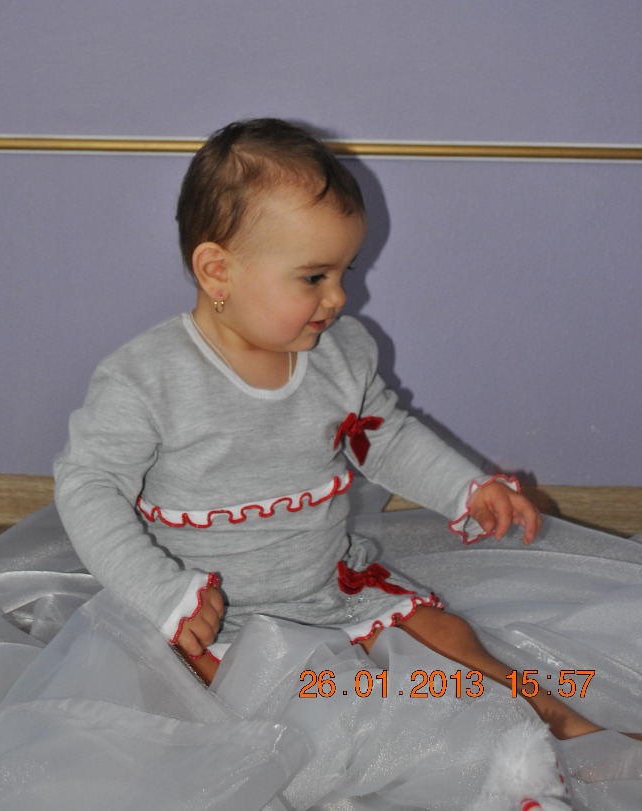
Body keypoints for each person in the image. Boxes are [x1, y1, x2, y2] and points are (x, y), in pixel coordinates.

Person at [54, 118, 604, 739]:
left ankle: (550, 715)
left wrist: (466, 489)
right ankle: (361, 745)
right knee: (241, 702)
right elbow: (88, 485)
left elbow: (385, 437)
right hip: (207, 615)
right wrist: (160, 593)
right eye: (315, 277)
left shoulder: (340, 355)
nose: (339, 296)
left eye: (345, 272)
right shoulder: (146, 378)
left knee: (448, 637)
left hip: (327, 586)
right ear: (217, 272)